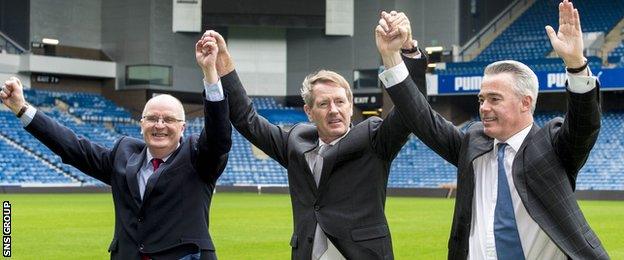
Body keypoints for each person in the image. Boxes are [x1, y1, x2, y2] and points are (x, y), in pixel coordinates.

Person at [376, 1, 609, 259]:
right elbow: (421, 118)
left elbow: (584, 125)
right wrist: (395, 55)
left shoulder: (552, 146)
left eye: (494, 99)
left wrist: (576, 64)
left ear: (525, 102)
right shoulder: (473, 143)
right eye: (481, 99)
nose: (484, 107)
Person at [194, 26, 426, 259]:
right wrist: (222, 61)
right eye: (324, 104)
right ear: (309, 111)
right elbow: (247, 120)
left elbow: (410, 111)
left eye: (339, 102)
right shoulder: (296, 142)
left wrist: (409, 52)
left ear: (350, 104)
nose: (334, 110)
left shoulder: (374, 138)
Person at [0, 37, 231, 259]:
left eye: (168, 119)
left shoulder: (198, 157)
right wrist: (22, 109)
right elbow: (73, 147)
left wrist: (210, 74)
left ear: (182, 127)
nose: (159, 125)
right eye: (152, 118)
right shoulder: (124, 154)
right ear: (141, 125)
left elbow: (219, 137)